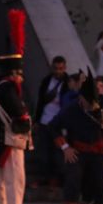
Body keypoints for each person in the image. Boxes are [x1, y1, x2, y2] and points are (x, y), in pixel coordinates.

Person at [49, 70, 103, 204]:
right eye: (88, 103)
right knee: (72, 186)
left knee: (101, 188)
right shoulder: (71, 109)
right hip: (77, 152)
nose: (92, 106)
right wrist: (65, 147)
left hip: (99, 151)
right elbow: (53, 126)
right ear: (81, 98)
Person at [0, 10, 34, 204]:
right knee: (15, 180)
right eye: (20, 73)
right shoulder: (9, 89)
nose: (21, 77)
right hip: (10, 139)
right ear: (15, 72)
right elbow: (20, 115)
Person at [33, 56, 68, 188]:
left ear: (64, 68)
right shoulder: (46, 81)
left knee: (58, 153)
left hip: (58, 123)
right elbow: (40, 101)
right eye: (55, 68)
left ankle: (57, 180)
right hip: (44, 120)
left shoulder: (67, 82)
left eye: (60, 68)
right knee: (43, 152)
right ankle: (45, 179)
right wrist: (37, 120)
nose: (58, 71)